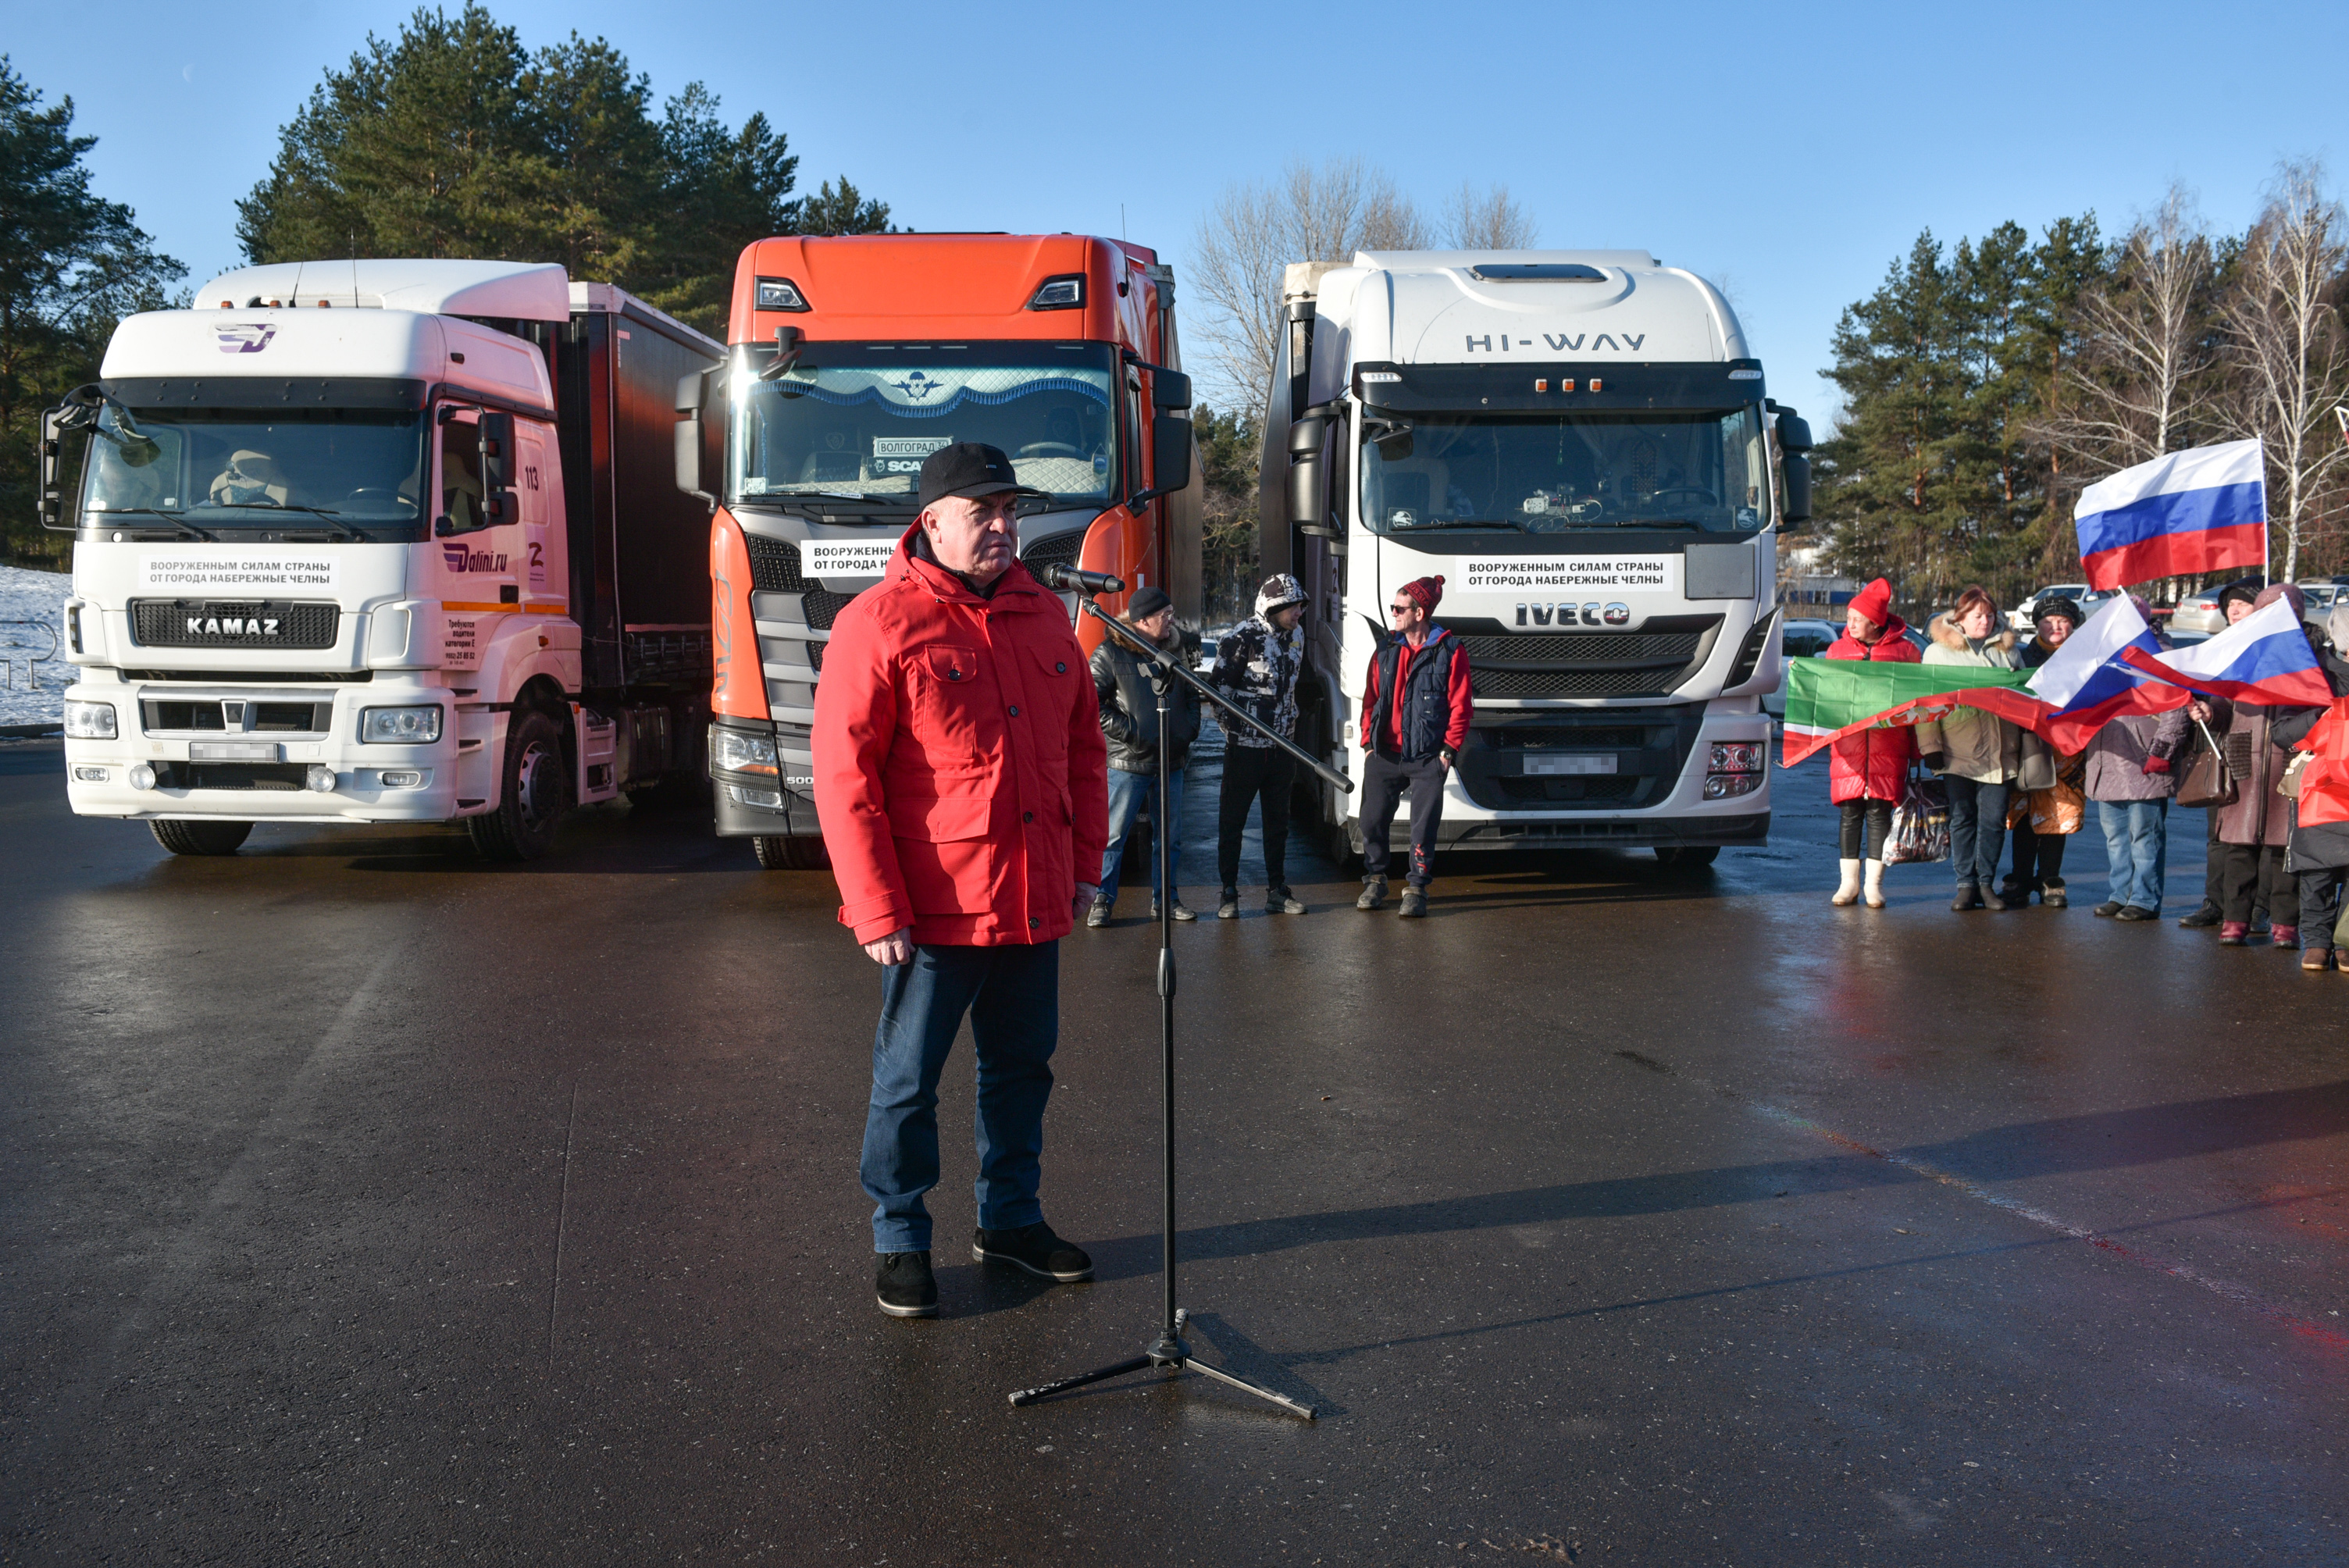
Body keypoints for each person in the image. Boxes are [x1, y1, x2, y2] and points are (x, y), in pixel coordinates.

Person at [812, 443, 1110, 1320]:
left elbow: (1084, 753)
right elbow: (845, 778)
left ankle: (1009, 1220)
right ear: (931, 520)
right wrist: (873, 906)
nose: (1002, 527)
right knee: (908, 1081)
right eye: (982, 512)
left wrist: (1085, 868)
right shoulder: (879, 621)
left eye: (1009, 511)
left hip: (1032, 894)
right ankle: (900, 1235)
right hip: (932, 908)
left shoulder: (1045, 616)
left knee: (1021, 1069)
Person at [1354, 574, 1474, 918]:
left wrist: (1447, 752)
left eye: (1399, 608)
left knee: (1423, 828)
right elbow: (1370, 699)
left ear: (1419, 613)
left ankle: (1417, 888)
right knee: (1371, 821)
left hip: (1427, 758)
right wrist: (1367, 744)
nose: (1393, 614)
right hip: (1385, 755)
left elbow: (1461, 706)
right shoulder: (1386, 650)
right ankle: (1375, 879)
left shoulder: (1450, 651)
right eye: (1394, 607)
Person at [1089, 585, 1200, 925]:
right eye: (1165, 615)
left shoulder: (1174, 652)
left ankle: (1166, 900)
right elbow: (1091, 704)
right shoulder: (1109, 653)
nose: (1171, 620)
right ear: (1143, 620)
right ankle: (1102, 900)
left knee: (1169, 839)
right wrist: (1132, 733)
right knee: (1113, 836)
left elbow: (1192, 696)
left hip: (1171, 762)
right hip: (1128, 763)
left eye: (1171, 614)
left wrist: (1186, 732)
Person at [1916, 584, 2023, 911]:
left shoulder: (2008, 651)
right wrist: (1930, 746)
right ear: (1960, 618)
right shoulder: (1938, 652)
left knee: (1992, 822)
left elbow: (2026, 697)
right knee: (1962, 818)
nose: (1985, 622)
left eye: (1990, 615)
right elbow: (1924, 703)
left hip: (2001, 750)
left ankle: (1986, 883)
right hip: (1956, 748)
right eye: (1978, 616)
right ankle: (1965, 885)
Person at [1208, 575, 1309, 919]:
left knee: (1278, 822)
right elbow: (1218, 694)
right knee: (1232, 822)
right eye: (1293, 607)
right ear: (1274, 607)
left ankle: (1277, 891)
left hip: (1283, 749)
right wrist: (1235, 734)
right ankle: (1229, 893)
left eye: (1301, 606)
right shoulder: (1241, 637)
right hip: (1245, 749)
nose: (1299, 613)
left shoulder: (1297, 635)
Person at [2083, 597, 2188, 921]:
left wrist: (2161, 751)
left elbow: (2177, 707)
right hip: (2105, 758)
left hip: (2142, 760)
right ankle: (2120, 893)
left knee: (2145, 837)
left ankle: (2143, 898)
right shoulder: (2098, 656)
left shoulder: (2160, 655)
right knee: (2115, 838)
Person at [1823, 577, 1919, 909]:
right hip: (1848, 748)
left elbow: (1921, 701)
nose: (1849, 624)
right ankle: (1847, 884)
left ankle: (1874, 886)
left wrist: (1921, 751)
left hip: (1889, 745)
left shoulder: (1905, 652)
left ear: (1875, 622)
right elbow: (1825, 695)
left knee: (1880, 813)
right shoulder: (1837, 650)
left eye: (1856, 619)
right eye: (1848, 617)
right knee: (1849, 813)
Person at [2180, 579, 2267, 928]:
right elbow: (2217, 701)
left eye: (2243, 603)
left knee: (2259, 836)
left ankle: (2256, 908)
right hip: (2221, 750)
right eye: (2230, 604)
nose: (2233, 609)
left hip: (2264, 754)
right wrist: (2205, 711)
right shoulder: (2216, 648)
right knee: (2219, 835)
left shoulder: (2272, 650)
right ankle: (2215, 902)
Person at [2272, 602, 2349, 971]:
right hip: (2321, 788)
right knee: (2318, 871)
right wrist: (2320, 716)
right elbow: (2281, 732)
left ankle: (2345, 940)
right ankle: (2317, 941)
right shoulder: (2314, 675)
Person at [2003, 598, 2085, 907]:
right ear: (2037, 624)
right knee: (2024, 811)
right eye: (2048, 621)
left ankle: (2050, 878)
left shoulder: (2084, 657)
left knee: (2059, 811)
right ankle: (2020, 877)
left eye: (2063, 621)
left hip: (2068, 746)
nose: (2056, 627)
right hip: (2028, 743)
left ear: (2073, 624)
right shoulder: (2022, 657)